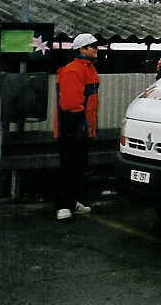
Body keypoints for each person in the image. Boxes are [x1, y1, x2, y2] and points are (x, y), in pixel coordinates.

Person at [54, 32, 100, 221]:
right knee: (69, 168)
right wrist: (81, 127)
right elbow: (71, 104)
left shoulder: (88, 68)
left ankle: (72, 202)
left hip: (82, 127)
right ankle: (63, 206)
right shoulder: (74, 70)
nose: (96, 49)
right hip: (72, 127)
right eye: (93, 46)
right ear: (82, 49)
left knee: (78, 168)